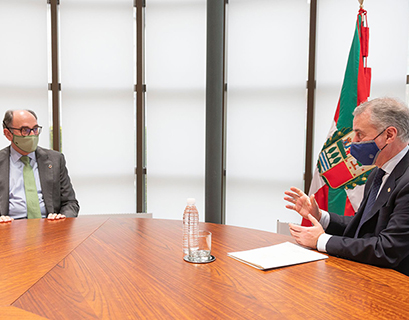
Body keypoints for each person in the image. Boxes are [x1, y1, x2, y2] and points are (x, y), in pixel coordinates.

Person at [284, 97, 409, 276]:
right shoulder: (377, 173)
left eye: (360, 134)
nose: (353, 142)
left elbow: (388, 249)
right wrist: (320, 216)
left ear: (389, 135)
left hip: (396, 288)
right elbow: (363, 226)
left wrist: (321, 240)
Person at [0, 109, 79, 223]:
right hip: (10, 229)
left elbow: (70, 203)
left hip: (49, 228)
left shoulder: (55, 159)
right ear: (8, 134)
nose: (32, 135)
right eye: (25, 130)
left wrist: (62, 218)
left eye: (35, 129)